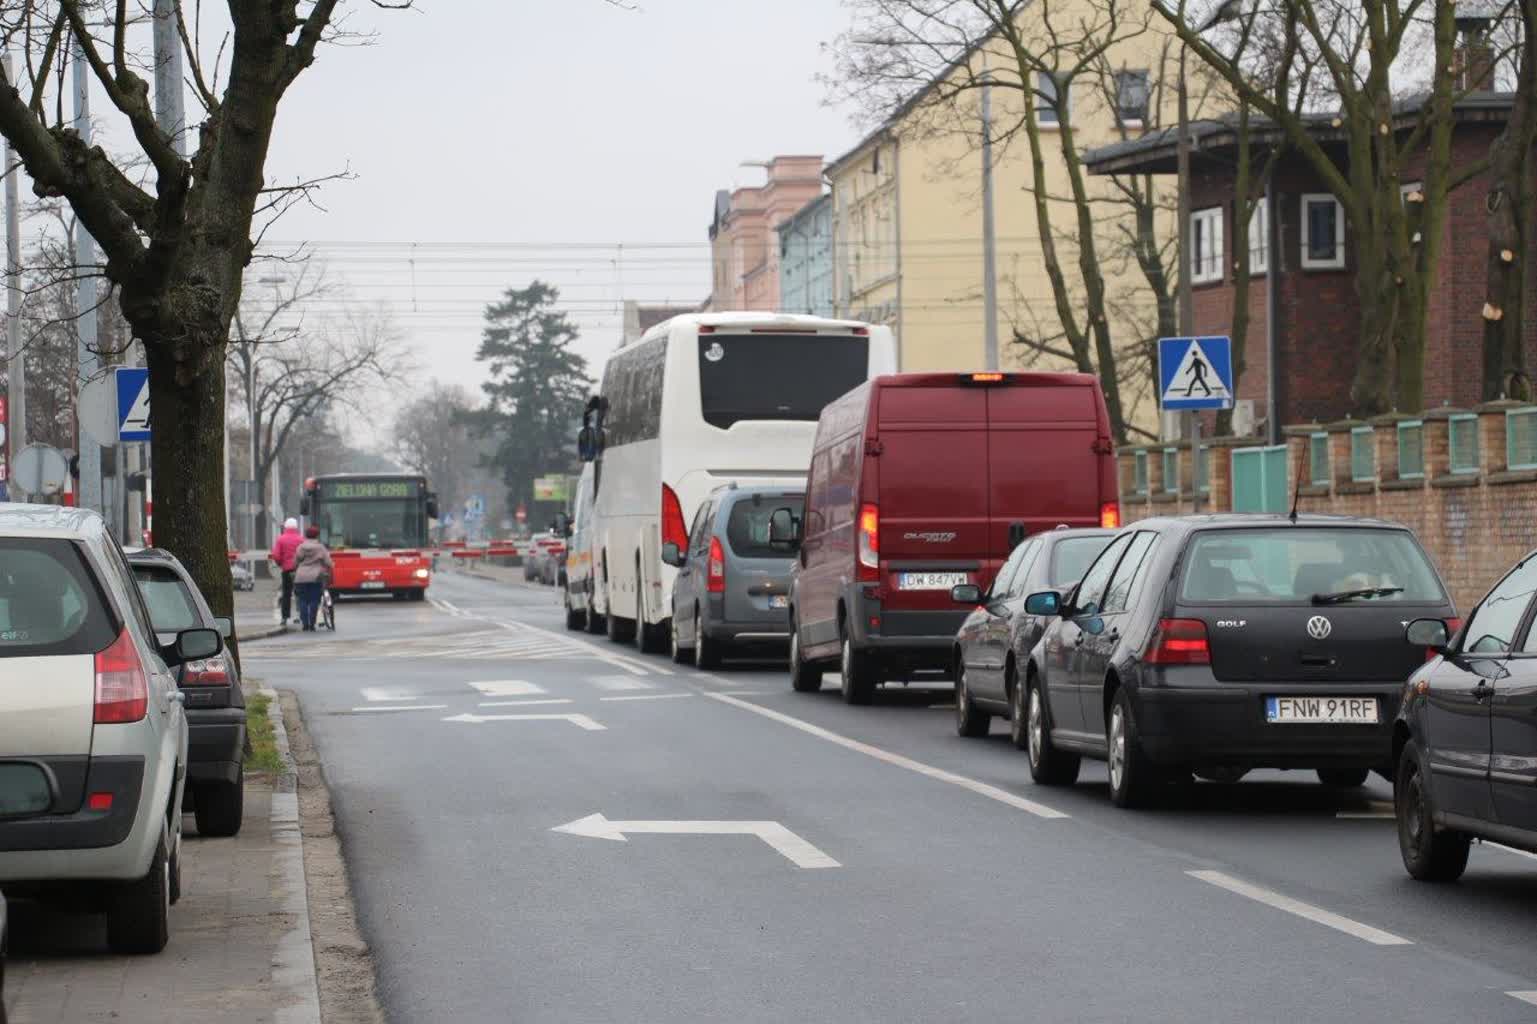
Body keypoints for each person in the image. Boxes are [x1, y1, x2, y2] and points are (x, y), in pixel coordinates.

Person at [292, 525, 334, 632]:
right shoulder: (320, 547)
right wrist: (330, 566)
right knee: (314, 600)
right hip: (316, 577)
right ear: (317, 535)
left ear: (306, 535)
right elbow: (328, 562)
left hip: (301, 577)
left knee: (302, 600)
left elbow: (295, 562)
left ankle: (305, 624)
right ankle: (312, 624)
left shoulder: (300, 547)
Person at [269, 518, 303, 625]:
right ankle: (299, 615)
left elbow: (276, 555)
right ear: (296, 527)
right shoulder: (301, 539)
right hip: (299, 570)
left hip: (287, 570)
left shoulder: (281, 539)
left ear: (285, 527)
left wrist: (281, 564)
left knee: (286, 593)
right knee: (299, 593)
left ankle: (285, 617)